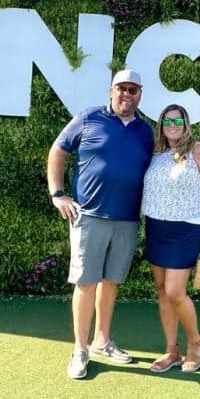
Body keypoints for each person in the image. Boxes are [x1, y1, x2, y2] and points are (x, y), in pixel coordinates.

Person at [47, 69, 154, 379]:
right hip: (89, 217)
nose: (127, 94)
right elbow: (58, 149)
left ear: (140, 95)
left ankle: (102, 342)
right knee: (86, 282)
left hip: (127, 219)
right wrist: (58, 194)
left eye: (133, 90)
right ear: (111, 90)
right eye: (122, 88)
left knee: (111, 282)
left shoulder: (146, 132)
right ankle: (80, 349)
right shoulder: (88, 117)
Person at [141, 103, 200, 373]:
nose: (173, 126)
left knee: (175, 291)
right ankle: (171, 350)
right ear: (161, 125)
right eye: (168, 121)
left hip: (185, 229)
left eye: (178, 121)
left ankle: (196, 341)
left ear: (186, 124)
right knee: (162, 290)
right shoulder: (156, 153)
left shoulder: (197, 150)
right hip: (156, 227)